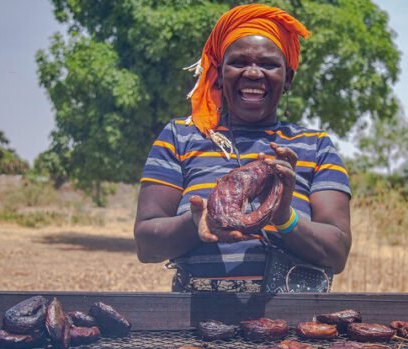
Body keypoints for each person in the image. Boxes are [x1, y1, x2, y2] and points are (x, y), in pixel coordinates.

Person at [134, 4, 351, 292]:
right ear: (220, 73)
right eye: (238, 62)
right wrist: (198, 222)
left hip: (294, 327)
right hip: (196, 324)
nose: (252, 73)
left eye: (268, 64)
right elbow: (146, 245)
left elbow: (337, 254)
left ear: (288, 79)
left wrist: (284, 217)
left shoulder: (315, 146)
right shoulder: (181, 136)